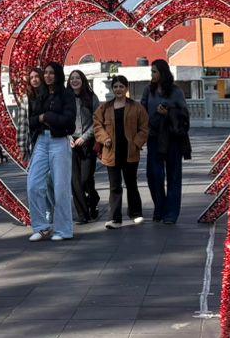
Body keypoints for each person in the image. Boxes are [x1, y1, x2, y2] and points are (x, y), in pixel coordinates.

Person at [26, 63, 75, 242]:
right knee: (33, 184)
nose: (47, 76)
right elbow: (31, 120)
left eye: (51, 73)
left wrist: (48, 117)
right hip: (41, 140)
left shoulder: (66, 94)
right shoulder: (42, 95)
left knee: (61, 187)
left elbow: (69, 122)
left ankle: (64, 230)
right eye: (45, 73)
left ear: (58, 75)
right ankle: (41, 227)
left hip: (59, 141)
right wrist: (41, 118)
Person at [93, 74, 149, 227]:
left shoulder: (136, 107)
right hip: (111, 152)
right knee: (115, 186)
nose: (118, 89)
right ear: (112, 89)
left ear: (126, 88)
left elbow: (144, 127)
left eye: (121, 87)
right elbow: (97, 125)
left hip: (130, 151)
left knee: (131, 183)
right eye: (116, 87)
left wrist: (136, 143)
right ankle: (115, 218)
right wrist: (105, 138)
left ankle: (135, 213)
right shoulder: (105, 108)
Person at [142, 58, 189, 225]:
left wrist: (168, 112)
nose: (152, 74)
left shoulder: (176, 91)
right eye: (151, 72)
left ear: (163, 72)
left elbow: (184, 114)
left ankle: (171, 213)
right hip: (154, 138)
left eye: (154, 71)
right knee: (154, 175)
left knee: (173, 176)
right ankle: (159, 207)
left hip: (172, 139)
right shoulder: (149, 90)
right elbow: (142, 111)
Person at [66, 69, 101, 224]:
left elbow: (98, 121)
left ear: (83, 80)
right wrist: (68, 137)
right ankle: (82, 214)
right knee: (75, 182)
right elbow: (62, 120)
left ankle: (93, 199)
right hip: (70, 143)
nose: (74, 80)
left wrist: (84, 137)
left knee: (85, 179)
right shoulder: (65, 99)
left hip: (87, 143)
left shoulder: (92, 97)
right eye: (72, 78)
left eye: (77, 78)